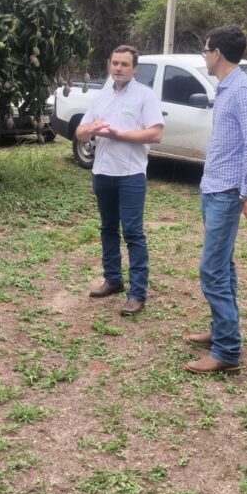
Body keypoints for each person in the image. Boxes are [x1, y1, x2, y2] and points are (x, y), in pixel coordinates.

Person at [182, 25, 247, 375]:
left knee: (212, 269)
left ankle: (227, 350)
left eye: (205, 51)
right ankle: (221, 330)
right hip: (215, 188)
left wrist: (245, 192)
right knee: (223, 264)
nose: (204, 56)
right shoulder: (227, 88)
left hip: (225, 193)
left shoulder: (243, 91)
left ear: (217, 53)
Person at [75, 45, 165, 316]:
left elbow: (156, 134)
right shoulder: (100, 96)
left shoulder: (144, 96)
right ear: (109, 65)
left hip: (130, 175)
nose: (118, 68)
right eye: (115, 63)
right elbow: (80, 132)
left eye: (125, 64)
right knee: (108, 228)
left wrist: (120, 135)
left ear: (134, 68)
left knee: (133, 232)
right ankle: (112, 279)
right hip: (102, 172)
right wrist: (88, 130)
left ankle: (137, 293)